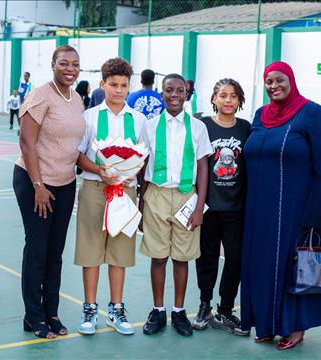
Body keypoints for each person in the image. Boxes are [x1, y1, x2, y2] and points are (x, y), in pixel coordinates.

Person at [240, 61, 321, 350]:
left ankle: (295, 328)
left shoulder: (312, 114)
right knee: (261, 266)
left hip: (296, 211)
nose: (274, 86)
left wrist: (314, 214)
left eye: (279, 80)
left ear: (291, 80)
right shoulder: (260, 115)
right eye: (268, 81)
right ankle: (266, 324)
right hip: (258, 211)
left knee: (291, 267)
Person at [12, 45, 85, 339]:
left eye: (75, 64)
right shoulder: (41, 95)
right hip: (36, 182)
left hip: (66, 183)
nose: (70, 68)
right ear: (53, 65)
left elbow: (75, 147)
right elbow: (27, 144)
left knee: (55, 253)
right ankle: (33, 316)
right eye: (64, 63)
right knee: (38, 250)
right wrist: (38, 186)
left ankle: (51, 312)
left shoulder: (76, 98)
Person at [75, 57, 146, 336]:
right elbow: (79, 155)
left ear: (130, 87)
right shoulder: (89, 117)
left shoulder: (139, 120)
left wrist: (133, 172)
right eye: (113, 84)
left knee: (119, 253)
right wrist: (98, 170)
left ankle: (116, 309)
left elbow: (144, 155)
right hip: (95, 189)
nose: (118, 90)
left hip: (125, 192)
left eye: (124, 85)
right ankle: (90, 308)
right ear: (103, 84)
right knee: (91, 251)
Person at [140, 73, 212, 337]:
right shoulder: (149, 126)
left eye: (179, 90)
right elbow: (141, 164)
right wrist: (141, 203)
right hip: (157, 195)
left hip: (186, 197)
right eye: (168, 90)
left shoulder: (198, 127)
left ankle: (179, 310)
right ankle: (158, 310)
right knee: (158, 257)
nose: (174, 95)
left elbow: (203, 167)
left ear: (186, 94)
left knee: (181, 258)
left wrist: (199, 206)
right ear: (161, 94)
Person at [192, 78, 250, 336]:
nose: (228, 100)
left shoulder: (246, 128)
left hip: (236, 207)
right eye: (223, 95)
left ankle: (225, 309)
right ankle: (205, 304)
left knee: (235, 258)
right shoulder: (203, 126)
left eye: (233, 96)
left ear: (239, 100)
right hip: (208, 206)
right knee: (208, 257)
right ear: (214, 99)